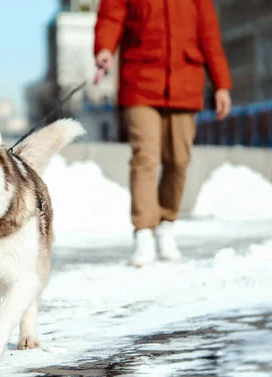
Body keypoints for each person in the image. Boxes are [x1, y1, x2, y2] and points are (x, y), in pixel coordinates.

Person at [92, 0, 232, 266]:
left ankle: (166, 223)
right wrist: (105, 48)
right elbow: (111, 15)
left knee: (178, 160)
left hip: (185, 84)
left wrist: (221, 84)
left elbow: (209, 35)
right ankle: (144, 232)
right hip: (140, 82)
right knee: (145, 156)